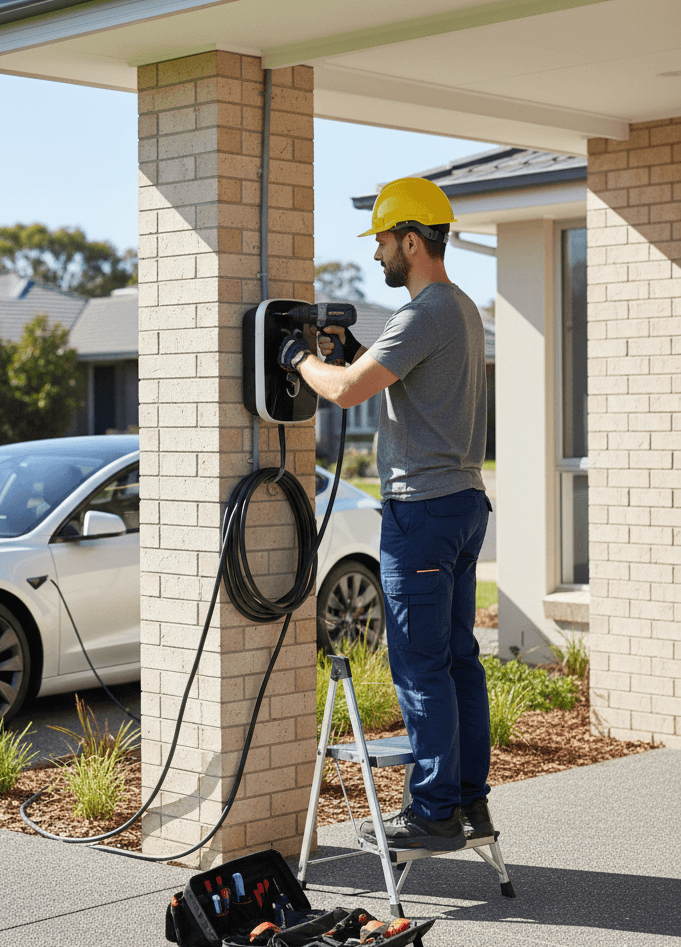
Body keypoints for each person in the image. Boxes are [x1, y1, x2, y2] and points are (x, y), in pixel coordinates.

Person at [278, 176, 493, 851]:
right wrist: (356, 349)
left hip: (423, 514)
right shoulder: (459, 309)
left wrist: (299, 357)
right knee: (459, 660)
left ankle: (431, 813)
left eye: (382, 241)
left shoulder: (426, 311)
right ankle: (468, 801)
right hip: (461, 503)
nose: (376, 255)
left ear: (411, 239)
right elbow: (393, 373)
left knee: (422, 665)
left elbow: (343, 392)